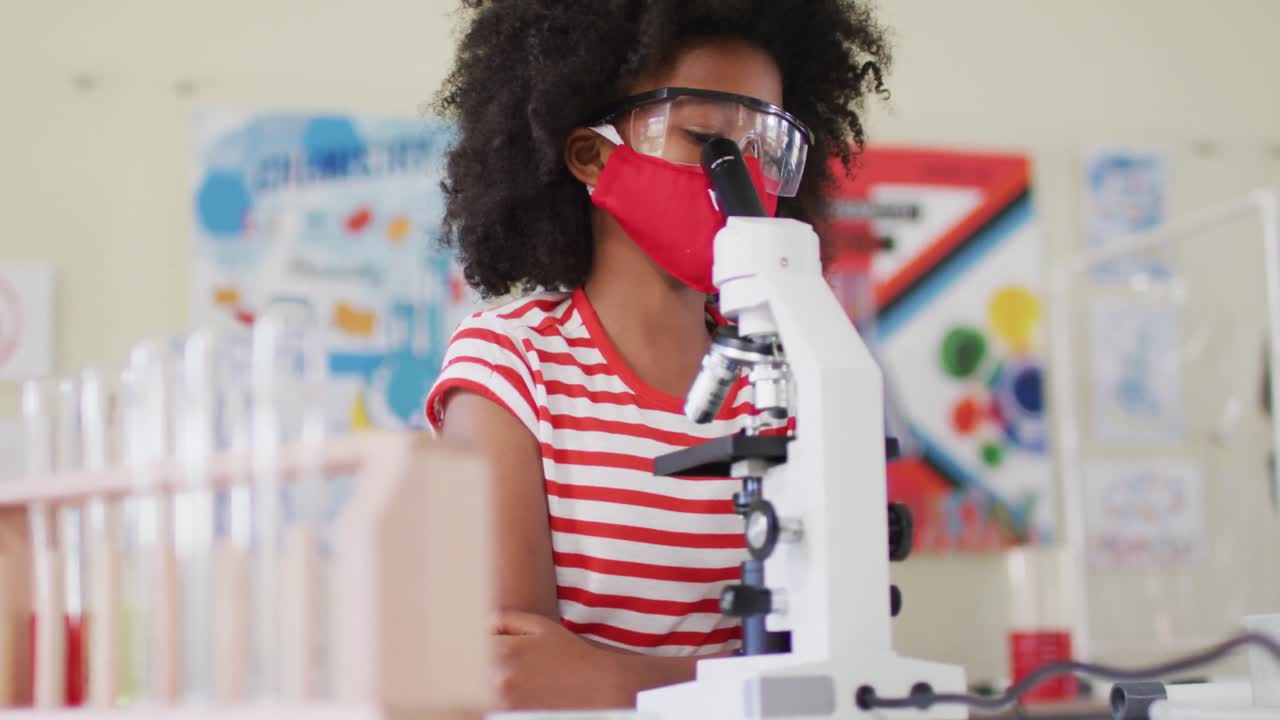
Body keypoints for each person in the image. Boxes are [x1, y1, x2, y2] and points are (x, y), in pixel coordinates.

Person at [427, 0, 891, 709]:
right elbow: (510, 676)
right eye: (706, 139)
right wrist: (752, 686)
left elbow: (838, 674)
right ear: (592, 154)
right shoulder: (510, 368)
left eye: (767, 150)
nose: (742, 178)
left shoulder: (795, 372)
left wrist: (612, 679)